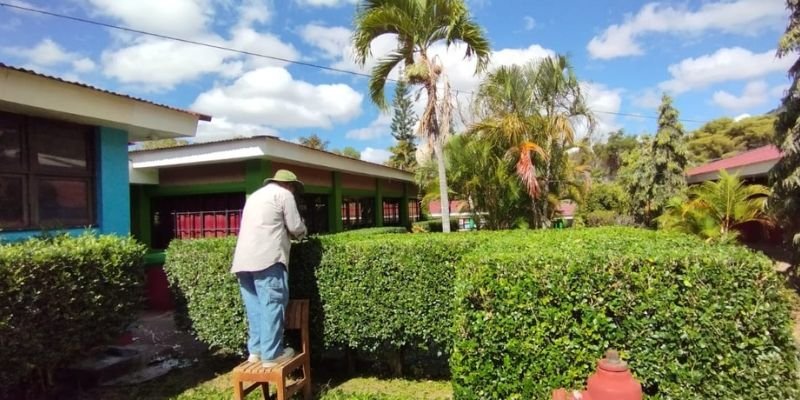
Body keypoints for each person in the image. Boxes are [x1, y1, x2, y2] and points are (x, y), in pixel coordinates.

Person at [230, 169, 307, 368]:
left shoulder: (255, 195)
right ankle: (272, 355)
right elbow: (295, 227)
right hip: (268, 259)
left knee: (255, 308)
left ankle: (255, 351)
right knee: (272, 305)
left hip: (242, 261)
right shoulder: (285, 195)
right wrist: (303, 232)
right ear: (290, 185)